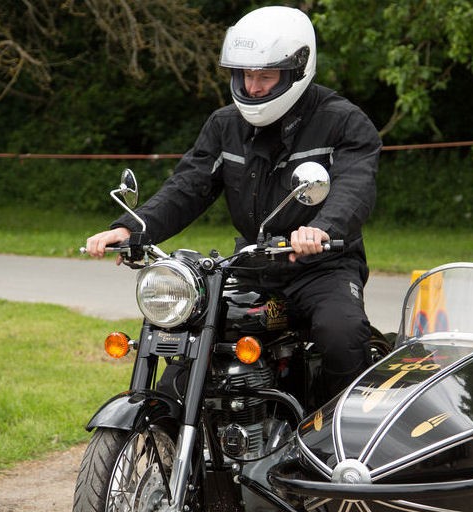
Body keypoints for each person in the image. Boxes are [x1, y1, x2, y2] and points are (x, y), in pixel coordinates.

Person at [85, 5, 382, 398]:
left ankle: (340, 441)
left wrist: (323, 230)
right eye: (246, 75)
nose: (254, 87)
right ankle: (171, 423)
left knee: (341, 335)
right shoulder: (225, 124)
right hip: (250, 266)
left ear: (296, 71)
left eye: (266, 76)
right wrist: (131, 228)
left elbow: (354, 186)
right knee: (188, 336)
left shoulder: (343, 122)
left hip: (321, 267)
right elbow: (188, 187)